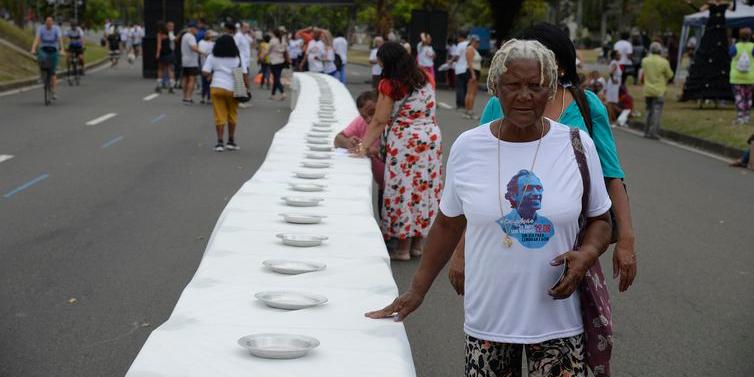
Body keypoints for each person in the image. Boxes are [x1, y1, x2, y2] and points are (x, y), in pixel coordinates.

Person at [367, 39, 613, 377]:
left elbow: (602, 218)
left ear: (551, 90)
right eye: (513, 85)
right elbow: (448, 224)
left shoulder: (575, 144)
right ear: (495, 86)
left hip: (559, 323)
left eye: (536, 86)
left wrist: (587, 254)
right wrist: (417, 290)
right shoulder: (470, 147)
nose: (524, 95)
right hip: (488, 324)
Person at [467, 23, 636, 298]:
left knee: (571, 315)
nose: (529, 60)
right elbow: (476, 180)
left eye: (539, 54)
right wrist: (462, 251)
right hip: (507, 239)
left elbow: (612, 176)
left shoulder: (587, 105)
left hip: (574, 242)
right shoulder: (498, 105)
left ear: (562, 67)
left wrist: (626, 240)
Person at [351, 41, 442, 261]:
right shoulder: (425, 77)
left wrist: (363, 145)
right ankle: (417, 246)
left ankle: (402, 248)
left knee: (403, 191)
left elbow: (380, 119)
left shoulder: (389, 84)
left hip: (405, 143)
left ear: (387, 63)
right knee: (424, 190)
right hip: (430, 140)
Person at [333, 91, 384, 209]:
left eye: (372, 113)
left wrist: (371, 150)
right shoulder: (361, 123)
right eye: (364, 116)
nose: (368, 119)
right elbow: (337, 139)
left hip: (398, 187)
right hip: (383, 187)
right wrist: (347, 142)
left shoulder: (393, 124)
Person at [202, 34, 249, 152]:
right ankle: (231, 141)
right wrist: (246, 87)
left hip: (216, 87)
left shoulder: (212, 56)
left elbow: (205, 72)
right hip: (233, 88)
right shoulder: (238, 56)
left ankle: (219, 143)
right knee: (232, 114)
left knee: (219, 115)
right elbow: (244, 74)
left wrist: (211, 76)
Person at [640, 42, 674, 139]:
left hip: (647, 90)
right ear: (660, 51)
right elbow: (670, 75)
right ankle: (653, 132)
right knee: (656, 112)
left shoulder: (645, 61)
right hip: (659, 90)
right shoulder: (664, 62)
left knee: (648, 111)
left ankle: (645, 131)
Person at [30, 16, 64, 99]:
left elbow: (60, 39)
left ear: (52, 23)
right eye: (47, 22)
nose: (49, 24)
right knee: (40, 58)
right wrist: (33, 48)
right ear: (45, 22)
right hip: (44, 49)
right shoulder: (41, 28)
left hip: (53, 50)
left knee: (53, 73)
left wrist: (62, 49)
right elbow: (37, 39)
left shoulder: (56, 29)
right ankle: (42, 76)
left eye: (50, 22)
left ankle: (54, 92)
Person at [729, 27, 754, 125]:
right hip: (750, 77)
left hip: (736, 77)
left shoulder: (735, 47)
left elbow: (730, 54)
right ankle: (747, 116)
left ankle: (740, 116)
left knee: (739, 96)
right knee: (748, 97)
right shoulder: (752, 47)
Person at [180, 21, 203, 105]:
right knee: (192, 79)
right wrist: (203, 53)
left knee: (185, 78)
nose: (197, 30)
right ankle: (189, 98)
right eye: (196, 28)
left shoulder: (184, 36)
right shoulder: (191, 37)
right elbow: (193, 48)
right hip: (192, 61)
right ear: (192, 28)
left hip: (185, 60)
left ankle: (184, 96)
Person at [463, 35, 482, 119]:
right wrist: (473, 74)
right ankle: (469, 111)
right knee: (471, 92)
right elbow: (469, 63)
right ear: (472, 41)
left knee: (472, 92)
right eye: (475, 41)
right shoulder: (470, 49)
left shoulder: (474, 50)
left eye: (478, 42)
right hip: (473, 71)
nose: (477, 43)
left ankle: (468, 111)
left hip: (475, 71)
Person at [155, 21, 175, 93]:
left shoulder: (159, 34)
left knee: (160, 69)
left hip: (163, 53)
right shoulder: (168, 34)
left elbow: (159, 45)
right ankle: (171, 86)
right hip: (169, 53)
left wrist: (157, 54)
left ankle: (159, 86)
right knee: (170, 69)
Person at [269, 28, 288, 100]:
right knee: (276, 77)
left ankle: (283, 93)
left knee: (276, 78)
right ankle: (273, 94)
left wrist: (262, 56)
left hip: (274, 61)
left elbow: (268, 50)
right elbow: (286, 50)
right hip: (281, 61)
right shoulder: (283, 41)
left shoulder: (273, 41)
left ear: (274, 34)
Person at [198, 30, 216, 104]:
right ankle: (203, 97)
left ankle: (209, 97)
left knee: (210, 82)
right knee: (204, 82)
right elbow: (202, 52)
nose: (211, 37)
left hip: (211, 66)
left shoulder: (213, 44)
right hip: (203, 65)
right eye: (210, 35)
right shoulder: (201, 42)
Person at [454, 31, 470, 109]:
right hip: (467, 68)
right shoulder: (469, 44)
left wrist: (451, 61)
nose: (457, 39)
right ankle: (465, 103)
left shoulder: (460, 45)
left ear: (460, 37)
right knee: (465, 87)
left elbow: (456, 57)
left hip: (460, 68)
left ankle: (459, 104)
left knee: (459, 87)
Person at [606, 50, 623, 124]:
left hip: (615, 85)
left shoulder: (616, 63)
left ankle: (612, 118)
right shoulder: (614, 63)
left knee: (612, 102)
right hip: (613, 85)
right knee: (611, 102)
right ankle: (612, 119)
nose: (620, 56)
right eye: (618, 55)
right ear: (615, 56)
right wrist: (613, 80)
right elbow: (611, 72)